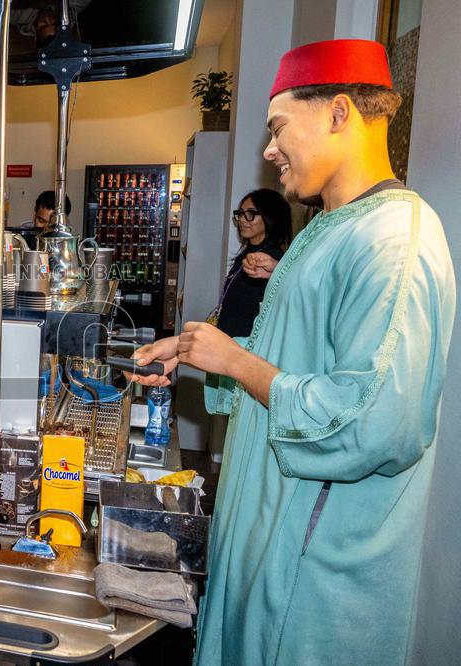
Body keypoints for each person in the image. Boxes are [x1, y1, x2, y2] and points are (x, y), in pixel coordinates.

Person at [130, 40, 454, 663]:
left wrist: (237, 362)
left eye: (278, 128)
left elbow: (376, 418)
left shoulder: (394, 240)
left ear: (338, 113)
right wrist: (201, 351)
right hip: (267, 544)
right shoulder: (325, 230)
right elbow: (290, 355)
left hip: (315, 573)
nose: (267, 150)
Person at [208, 188, 291, 337]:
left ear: (269, 218)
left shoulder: (270, 260)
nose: (242, 219)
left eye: (250, 214)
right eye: (240, 213)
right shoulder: (247, 253)